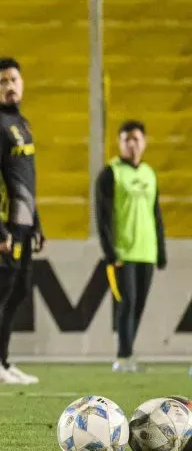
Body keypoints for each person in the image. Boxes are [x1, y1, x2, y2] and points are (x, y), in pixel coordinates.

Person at [0, 57, 43, 386]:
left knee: (18, 292)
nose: (10, 85)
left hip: (23, 222)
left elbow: (25, 178)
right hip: (1, 221)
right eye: (2, 81)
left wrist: (36, 223)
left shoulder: (22, 122)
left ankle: (2, 361)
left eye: (14, 79)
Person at [94, 120, 166, 373]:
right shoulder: (110, 173)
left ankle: (128, 355)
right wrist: (109, 251)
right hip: (123, 253)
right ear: (120, 143)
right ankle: (123, 357)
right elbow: (101, 216)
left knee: (139, 305)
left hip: (147, 252)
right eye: (127, 139)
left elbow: (155, 214)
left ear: (144, 142)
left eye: (136, 139)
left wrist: (161, 249)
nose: (132, 144)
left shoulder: (149, 173)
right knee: (127, 303)